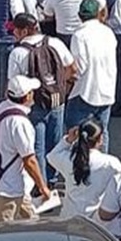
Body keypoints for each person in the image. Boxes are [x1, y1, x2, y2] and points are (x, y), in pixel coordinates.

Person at [8, 13, 75, 188]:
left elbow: (14, 83)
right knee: (56, 143)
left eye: (15, 29)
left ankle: (41, 185)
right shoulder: (55, 43)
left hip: (34, 104)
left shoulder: (17, 53)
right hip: (57, 101)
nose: (13, 33)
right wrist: (61, 88)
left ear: (23, 31)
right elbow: (72, 68)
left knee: (36, 147)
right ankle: (52, 181)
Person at [0, 75, 55, 222]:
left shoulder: (0, 107)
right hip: (11, 185)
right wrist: (43, 187)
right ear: (27, 96)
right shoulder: (20, 123)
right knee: (2, 230)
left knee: (31, 220)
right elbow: (29, 160)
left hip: (9, 179)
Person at [64, 0, 119, 146]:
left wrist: (66, 78)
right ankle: (101, 166)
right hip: (106, 90)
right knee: (102, 132)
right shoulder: (108, 32)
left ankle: (80, 166)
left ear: (80, 15)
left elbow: (80, 67)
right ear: (98, 14)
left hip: (85, 91)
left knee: (77, 133)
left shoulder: (79, 35)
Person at [46, 119, 121, 220]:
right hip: (96, 221)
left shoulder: (69, 159)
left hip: (69, 217)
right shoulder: (110, 163)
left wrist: (68, 140)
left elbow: (51, 156)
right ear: (100, 139)